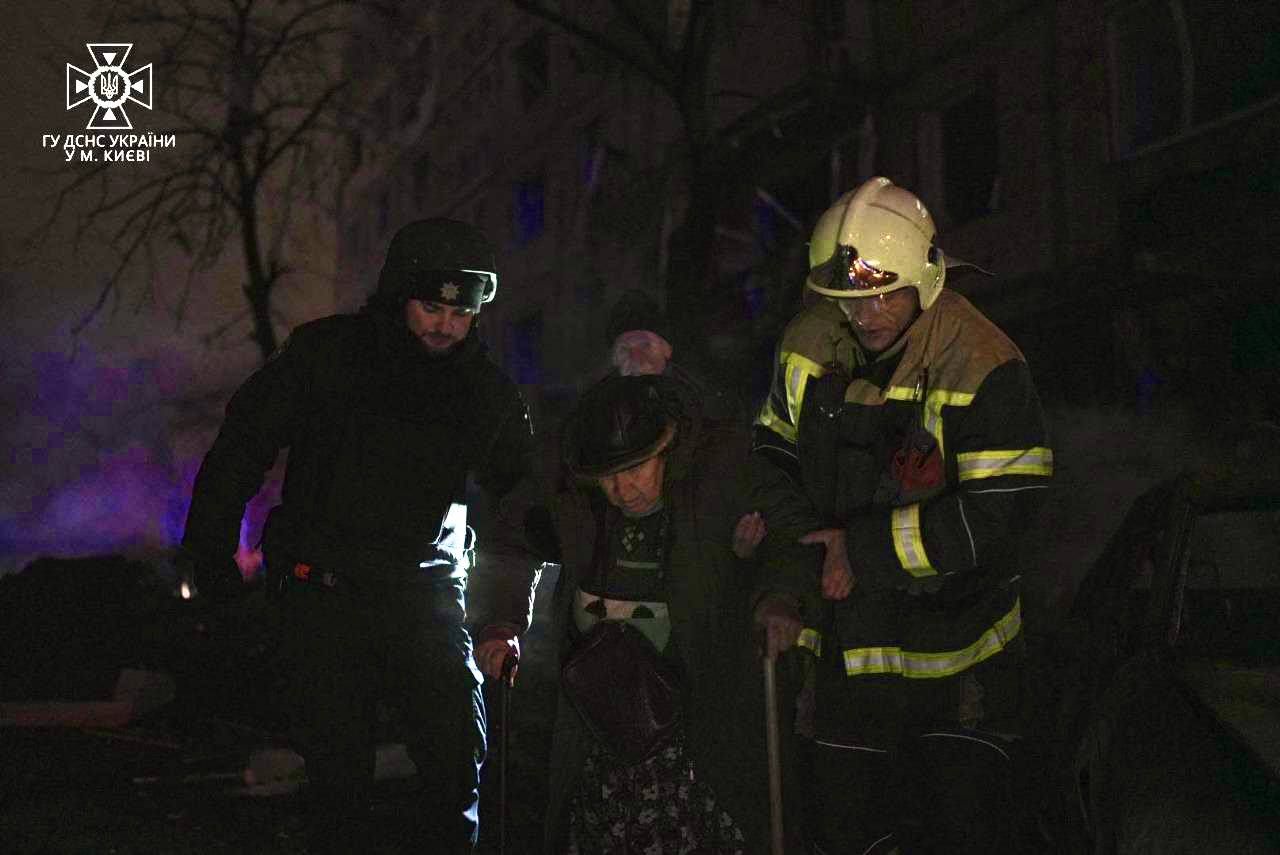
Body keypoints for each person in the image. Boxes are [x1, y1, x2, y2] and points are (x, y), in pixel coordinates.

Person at [178, 218, 542, 852]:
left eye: (461, 313)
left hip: (424, 595)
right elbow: (242, 446)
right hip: (323, 592)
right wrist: (211, 558)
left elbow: (518, 508)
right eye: (430, 307)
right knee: (337, 780)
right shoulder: (328, 356)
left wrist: (502, 619)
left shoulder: (485, 392)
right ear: (400, 295)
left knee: (456, 761)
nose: (445, 325)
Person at [750, 177, 1053, 853]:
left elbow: (1001, 515)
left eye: (884, 294)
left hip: (958, 672)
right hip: (843, 666)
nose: (866, 314)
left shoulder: (984, 363)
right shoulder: (807, 344)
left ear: (926, 277)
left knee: (960, 835)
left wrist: (863, 550)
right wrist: (794, 571)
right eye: (849, 298)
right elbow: (770, 460)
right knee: (844, 838)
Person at [510, 374, 799, 853]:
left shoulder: (720, 470)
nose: (622, 490)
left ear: (665, 450)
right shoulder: (572, 489)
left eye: (636, 470)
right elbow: (512, 531)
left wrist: (779, 596)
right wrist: (500, 621)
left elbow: (793, 530)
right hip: (599, 714)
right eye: (608, 477)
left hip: (692, 712)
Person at [604, 288, 741, 420]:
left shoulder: (697, 396)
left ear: (666, 349)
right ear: (614, 359)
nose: (636, 357)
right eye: (624, 350)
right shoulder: (603, 400)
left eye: (645, 346)